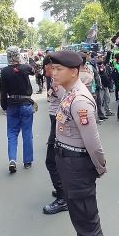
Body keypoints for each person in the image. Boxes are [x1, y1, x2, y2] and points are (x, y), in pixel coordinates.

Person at [50, 50, 107, 236]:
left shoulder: (80, 100)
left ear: (73, 72)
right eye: (53, 68)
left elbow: (92, 141)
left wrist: (99, 166)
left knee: (86, 216)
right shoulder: (69, 92)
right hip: (67, 160)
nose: (53, 73)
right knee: (77, 213)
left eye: (58, 69)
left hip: (77, 163)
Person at [0, 46, 35, 173]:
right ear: (18, 55)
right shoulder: (25, 68)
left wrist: (4, 106)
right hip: (25, 104)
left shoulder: (4, 72)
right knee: (27, 133)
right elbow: (34, 70)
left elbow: (3, 91)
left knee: (12, 134)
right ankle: (27, 161)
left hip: (12, 105)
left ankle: (12, 159)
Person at [42, 54, 68, 215]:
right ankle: (63, 190)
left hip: (59, 123)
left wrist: (60, 127)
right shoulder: (54, 81)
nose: (45, 72)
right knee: (56, 160)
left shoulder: (59, 83)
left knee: (51, 161)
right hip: (56, 121)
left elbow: (66, 104)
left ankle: (62, 198)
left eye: (47, 69)